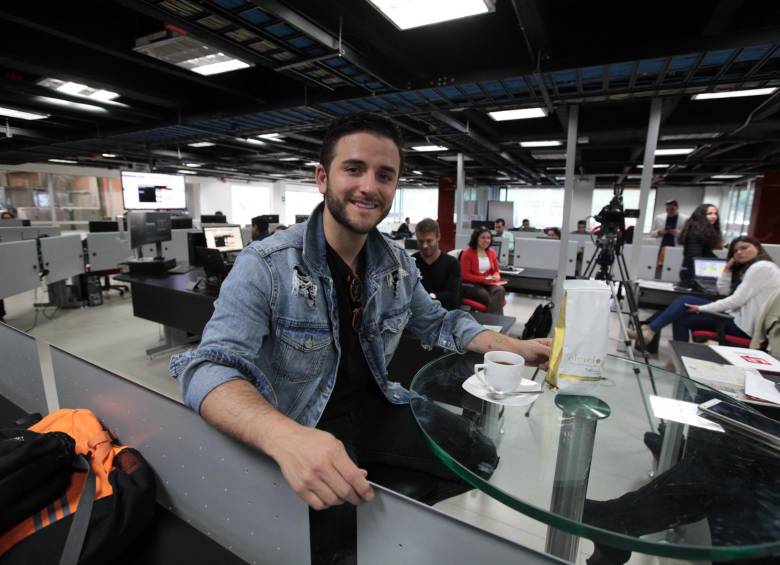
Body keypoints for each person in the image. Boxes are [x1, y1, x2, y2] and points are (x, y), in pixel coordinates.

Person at [170, 113, 550, 564]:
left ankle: (378, 529)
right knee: (336, 551)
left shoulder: (394, 261)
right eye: (354, 169)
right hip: (305, 421)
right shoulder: (266, 265)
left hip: (375, 405)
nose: (369, 186)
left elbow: (440, 323)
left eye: (385, 175)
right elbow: (208, 367)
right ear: (321, 178)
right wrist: (285, 438)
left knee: (478, 455)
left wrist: (516, 347)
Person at [636, 236, 780, 344]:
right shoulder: (757, 267)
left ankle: (650, 329)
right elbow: (722, 291)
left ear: (758, 248)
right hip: (739, 320)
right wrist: (727, 268)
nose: (739, 252)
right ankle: (673, 351)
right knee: (681, 316)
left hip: (744, 327)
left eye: (744, 248)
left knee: (685, 301)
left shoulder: (761, 267)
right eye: (736, 250)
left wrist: (702, 308)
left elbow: (736, 300)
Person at [412, 218, 462, 310]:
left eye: (429, 241)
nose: (424, 246)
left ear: (438, 237)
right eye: (420, 241)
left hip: (444, 315)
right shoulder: (411, 263)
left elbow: (452, 297)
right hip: (416, 316)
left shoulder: (452, 264)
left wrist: (427, 297)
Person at [459, 227, 506, 315]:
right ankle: (495, 323)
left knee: (500, 290)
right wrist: (483, 279)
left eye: (488, 238)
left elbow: (496, 271)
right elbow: (464, 275)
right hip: (471, 285)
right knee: (491, 298)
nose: (486, 240)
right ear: (476, 238)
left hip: (488, 283)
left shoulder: (491, 252)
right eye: (483, 237)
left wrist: (497, 276)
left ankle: (492, 323)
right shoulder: (467, 253)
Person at [678, 202, 722, 283]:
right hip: (692, 273)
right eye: (709, 214)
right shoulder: (694, 231)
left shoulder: (703, 230)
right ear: (701, 215)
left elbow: (706, 252)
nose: (714, 216)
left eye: (715, 214)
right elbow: (694, 256)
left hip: (697, 270)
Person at [652, 199, 687, 267]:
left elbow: (689, 235)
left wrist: (679, 233)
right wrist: (659, 232)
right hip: (661, 247)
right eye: (667, 209)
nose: (669, 211)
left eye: (672, 209)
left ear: (677, 208)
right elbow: (652, 234)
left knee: (674, 266)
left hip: (676, 247)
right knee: (658, 267)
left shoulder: (686, 219)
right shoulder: (659, 218)